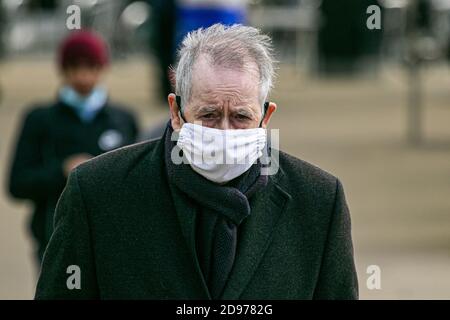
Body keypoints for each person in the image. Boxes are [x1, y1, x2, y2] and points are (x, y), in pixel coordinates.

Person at [35, 24, 358, 299]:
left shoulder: (318, 201)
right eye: (209, 114)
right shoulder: (97, 192)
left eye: (241, 116)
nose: (225, 131)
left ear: (266, 116)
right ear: (175, 112)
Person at [8, 30, 139, 264]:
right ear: (62, 70)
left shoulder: (123, 119)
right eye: (74, 67)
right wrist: (62, 171)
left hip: (112, 242)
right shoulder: (40, 120)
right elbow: (17, 184)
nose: (83, 77)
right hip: (55, 239)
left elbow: (140, 183)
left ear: (102, 69)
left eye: (91, 67)